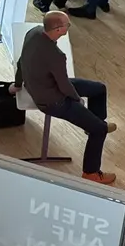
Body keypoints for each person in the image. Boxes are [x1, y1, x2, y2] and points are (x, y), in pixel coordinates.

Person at [13, 11, 117, 184]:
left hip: (45, 85)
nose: (68, 27)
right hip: (53, 101)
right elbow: (64, 85)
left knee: (99, 89)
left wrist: (17, 84)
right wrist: (77, 99)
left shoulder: (33, 33)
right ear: (58, 29)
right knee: (100, 131)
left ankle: (93, 123)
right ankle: (91, 173)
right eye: (67, 25)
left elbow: (21, 62)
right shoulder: (56, 55)